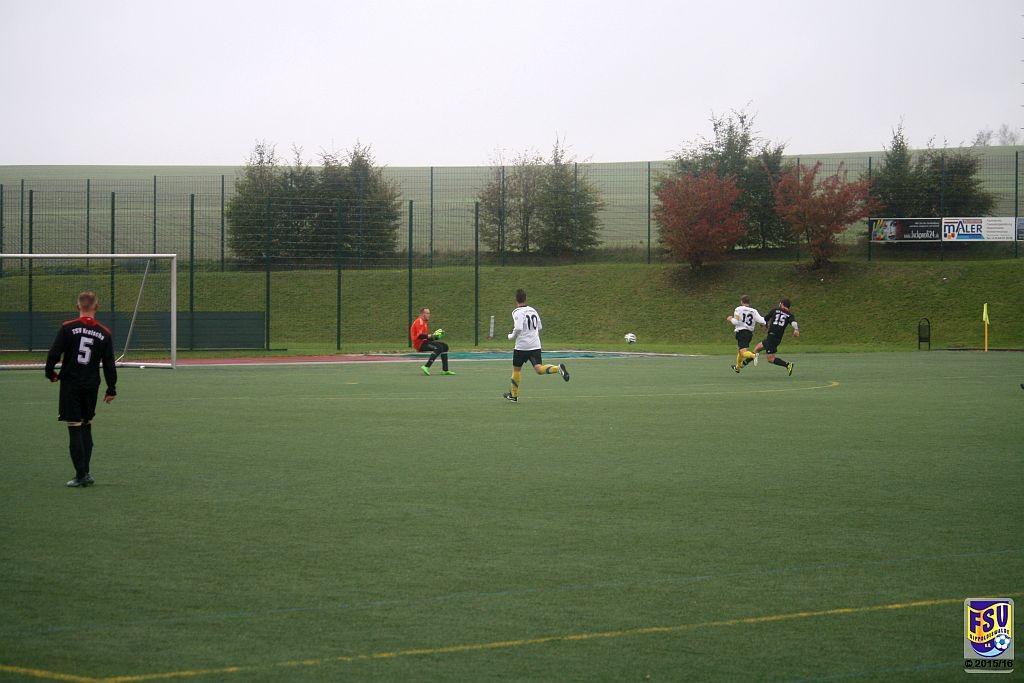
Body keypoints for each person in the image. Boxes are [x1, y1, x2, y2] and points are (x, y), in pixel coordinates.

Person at [44, 291, 117, 488]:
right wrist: (111, 388)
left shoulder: (67, 328)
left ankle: (80, 475)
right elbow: (109, 364)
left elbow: (54, 353)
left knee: (74, 427)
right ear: (97, 307)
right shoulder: (104, 332)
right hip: (91, 384)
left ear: (78, 307)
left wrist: (50, 373)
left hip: (71, 384)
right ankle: (86, 472)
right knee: (86, 425)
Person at [503, 289, 569, 402]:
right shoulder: (533, 310)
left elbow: (518, 328)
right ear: (526, 298)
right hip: (535, 345)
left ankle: (514, 395)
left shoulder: (517, 312)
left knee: (516, 370)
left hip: (522, 347)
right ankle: (557, 368)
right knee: (539, 369)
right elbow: (540, 327)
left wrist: (511, 336)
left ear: (516, 300)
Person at [753, 297, 800, 375]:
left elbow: (765, 319)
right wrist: (796, 329)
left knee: (770, 359)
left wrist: (764, 325)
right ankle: (741, 365)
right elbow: (794, 323)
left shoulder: (775, 310)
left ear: (782, 304)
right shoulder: (790, 315)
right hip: (775, 338)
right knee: (758, 347)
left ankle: (788, 365)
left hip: (772, 337)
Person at [726, 294, 766, 373]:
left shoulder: (738, 309)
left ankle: (753, 355)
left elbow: (736, 322)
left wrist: (730, 319)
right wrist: (764, 324)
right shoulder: (753, 311)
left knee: (743, 352)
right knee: (741, 351)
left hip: (741, 332)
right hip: (749, 334)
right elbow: (762, 320)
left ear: (741, 302)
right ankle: (737, 367)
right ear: (749, 302)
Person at [409, 307, 454, 376]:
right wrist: (431, 335)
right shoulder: (419, 321)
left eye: (429, 313)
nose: (429, 315)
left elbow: (426, 338)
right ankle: (426, 366)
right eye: (427, 313)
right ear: (422, 314)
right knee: (438, 347)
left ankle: (445, 370)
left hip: (424, 342)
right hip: (419, 344)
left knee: (445, 346)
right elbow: (420, 336)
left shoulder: (424, 323)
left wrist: (435, 337)